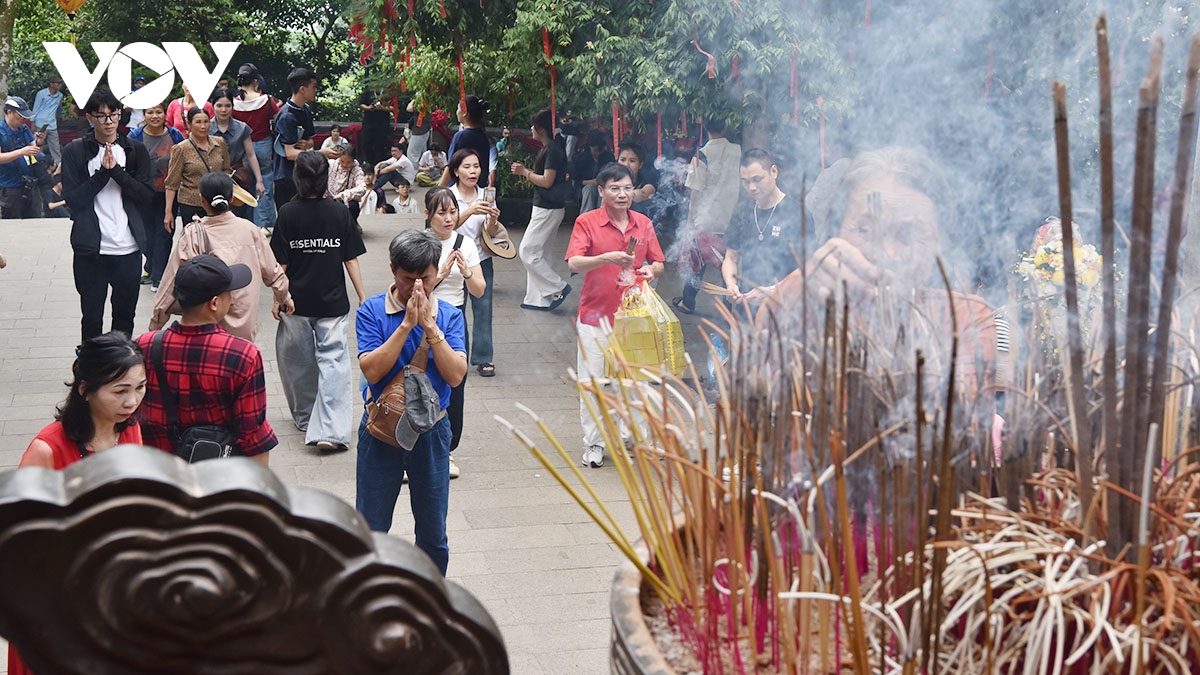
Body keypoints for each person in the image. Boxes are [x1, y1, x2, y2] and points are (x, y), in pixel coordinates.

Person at [7, 331, 148, 675]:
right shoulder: (48, 450)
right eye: (120, 391)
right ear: (84, 389)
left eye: (140, 388)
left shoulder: (128, 430)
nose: (132, 402)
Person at [355, 229, 467, 576]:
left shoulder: (449, 315)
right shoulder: (372, 311)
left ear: (437, 273)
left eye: (426, 279)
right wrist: (406, 325)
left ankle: (431, 598)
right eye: (408, 279)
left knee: (433, 533)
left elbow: (455, 375)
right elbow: (372, 370)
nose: (417, 287)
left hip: (432, 432)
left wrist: (431, 328)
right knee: (371, 528)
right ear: (393, 271)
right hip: (381, 429)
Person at [565, 162, 664, 468]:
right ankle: (594, 444)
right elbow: (574, 263)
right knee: (594, 382)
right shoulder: (587, 222)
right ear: (601, 191)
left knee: (638, 382)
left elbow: (658, 262)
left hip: (635, 318)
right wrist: (606, 258)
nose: (622, 194)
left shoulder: (644, 223)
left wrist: (650, 269)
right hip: (596, 315)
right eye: (615, 188)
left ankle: (635, 438)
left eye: (627, 188)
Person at [136, 254, 277, 465]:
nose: (232, 298)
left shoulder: (144, 346)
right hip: (216, 477)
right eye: (228, 293)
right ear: (214, 303)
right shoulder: (242, 355)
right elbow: (252, 436)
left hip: (156, 475)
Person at [272, 151, 367, 452]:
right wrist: (362, 295)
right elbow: (350, 258)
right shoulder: (338, 212)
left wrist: (278, 297)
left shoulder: (287, 213)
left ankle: (305, 418)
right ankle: (331, 430)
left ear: (297, 178)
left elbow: (281, 266)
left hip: (295, 304)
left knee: (297, 364)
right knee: (335, 364)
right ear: (326, 178)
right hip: (333, 303)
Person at [61, 88, 154, 343]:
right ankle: (91, 373)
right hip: (91, 250)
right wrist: (102, 174)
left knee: (124, 318)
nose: (109, 121)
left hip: (129, 248)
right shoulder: (75, 151)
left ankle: (120, 372)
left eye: (113, 114)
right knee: (91, 317)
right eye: (101, 116)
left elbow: (147, 196)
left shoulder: (135, 151)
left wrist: (118, 173)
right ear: (90, 118)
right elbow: (73, 200)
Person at [151, 172, 291, 341]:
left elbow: (170, 284)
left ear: (201, 199)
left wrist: (156, 323)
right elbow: (273, 272)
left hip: (207, 330)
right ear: (232, 199)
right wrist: (284, 298)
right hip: (245, 331)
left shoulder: (193, 234)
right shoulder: (250, 230)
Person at [426, 187, 485, 478]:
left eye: (453, 212)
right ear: (428, 215)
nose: (449, 218)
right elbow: (407, 289)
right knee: (419, 381)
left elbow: (479, 289)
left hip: (454, 318)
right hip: (423, 317)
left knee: (454, 384)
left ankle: (447, 449)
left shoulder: (466, 244)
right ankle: (411, 448)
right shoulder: (420, 244)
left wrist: (466, 273)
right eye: (442, 213)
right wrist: (438, 276)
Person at [673, 119, 742, 315]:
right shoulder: (738, 151)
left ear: (705, 128)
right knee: (729, 263)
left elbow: (696, 191)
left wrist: (690, 222)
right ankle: (728, 308)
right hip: (731, 216)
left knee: (697, 262)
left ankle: (687, 302)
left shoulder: (701, 155)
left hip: (707, 218)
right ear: (726, 126)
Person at [721, 149, 803, 301]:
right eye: (745, 181)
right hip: (747, 308)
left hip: (787, 308)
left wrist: (774, 291)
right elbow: (731, 258)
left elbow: (808, 268)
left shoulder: (797, 214)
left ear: (773, 172)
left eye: (757, 179)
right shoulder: (743, 211)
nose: (751, 187)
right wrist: (730, 283)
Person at [448, 149, 501, 378]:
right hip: (455, 260)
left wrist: (493, 220)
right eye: (467, 166)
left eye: (477, 166)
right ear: (456, 170)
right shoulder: (448, 196)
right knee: (456, 308)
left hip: (481, 259)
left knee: (483, 308)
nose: (473, 171)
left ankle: (483, 357)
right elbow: (445, 224)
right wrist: (470, 210)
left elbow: (489, 232)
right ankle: (457, 355)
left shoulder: (486, 194)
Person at [514, 109, 572, 312]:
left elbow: (547, 181)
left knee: (527, 251)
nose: (531, 129)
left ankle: (558, 287)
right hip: (547, 207)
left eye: (533, 126)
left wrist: (525, 173)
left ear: (540, 128)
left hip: (547, 208)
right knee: (540, 253)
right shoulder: (550, 147)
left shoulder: (553, 150)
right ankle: (538, 299)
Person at [129, 102, 186, 290]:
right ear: (144, 115)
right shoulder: (134, 136)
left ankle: (158, 275)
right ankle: (151, 266)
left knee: (164, 231)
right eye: (150, 112)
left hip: (168, 192)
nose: (155, 116)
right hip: (142, 192)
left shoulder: (174, 135)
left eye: (159, 112)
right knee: (144, 233)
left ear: (165, 114)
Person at [275, 67, 339, 209]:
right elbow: (290, 153)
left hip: (305, 173)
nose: (315, 90)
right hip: (287, 177)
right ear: (302, 89)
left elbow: (311, 140)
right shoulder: (286, 116)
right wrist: (321, 153)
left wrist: (306, 145)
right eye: (313, 86)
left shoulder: (306, 110)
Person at [164, 107, 230, 234]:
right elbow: (172, 183)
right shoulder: (181, 149)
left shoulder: (219, 143)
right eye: (198, 122)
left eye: (206, 121)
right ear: (189, 124)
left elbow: (226, 169)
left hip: (217, 202)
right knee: (196, 242)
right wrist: (168, 212)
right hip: (192, 204)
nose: (203, 126)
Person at [232, 62, 279, 231]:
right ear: (256, 82)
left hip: (241, 148)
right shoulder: (266, 100)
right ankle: (264, 224)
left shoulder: (233, 103)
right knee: (264, 181)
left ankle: (246, 223)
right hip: (263, 145)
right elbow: (277, 117)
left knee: (245, 182)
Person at [209, 87, 265, 220]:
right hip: (213, 177)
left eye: (228, 106)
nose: (224, 110)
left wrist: (259, 181)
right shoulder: (206, 127)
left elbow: (250, 154)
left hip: (238, 178)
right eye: (219, 106)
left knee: (241, 218)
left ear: (233, 106)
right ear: (212, 106)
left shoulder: (242, 128)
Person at [0, 96, 48, 219]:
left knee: (35, 222)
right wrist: (21, 152)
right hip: (10, 187)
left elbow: (35, 151)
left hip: (30, 184)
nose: (23, 120)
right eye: (21, 116)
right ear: (9, 112)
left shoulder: (24, 129)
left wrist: (39, 143)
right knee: (12, 224)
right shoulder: (1, 131)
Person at [439, 94, 491, 188]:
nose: (456, 111)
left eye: (458, 108)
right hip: (478, 187)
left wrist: (439, 189)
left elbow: (451, 166)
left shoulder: (461, 136)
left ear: (464, 113)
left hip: (461, 188)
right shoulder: (483, 136)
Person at [574, 130, 615, 214]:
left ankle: (602, 215)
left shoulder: (608, 157)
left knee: (603, 192)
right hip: (584, 189)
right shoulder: (581, 158)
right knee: (589, 189)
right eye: (596, 150)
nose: (598, 153)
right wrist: (591, 182)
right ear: (590, 147)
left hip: (604, 187)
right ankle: (586, 218)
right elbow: (576, 181)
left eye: (601, 150)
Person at [31, 75, 63, 170]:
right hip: (41, 123)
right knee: (38, 146)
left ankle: (58, 168)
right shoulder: (42, 94)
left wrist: (60, 117)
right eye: (58, 83)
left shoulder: (59, 95)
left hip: (52, 124)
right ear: (51, 84)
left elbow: (59, 108)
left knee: (55, 148)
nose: (60, 85)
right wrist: (32, 122)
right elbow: (36, 107)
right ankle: (38, 167)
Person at [327, 147, 367, 222]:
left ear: (353, 161)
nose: (345, 165)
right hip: (328, 198)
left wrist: (343, 195)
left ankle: (352, 223)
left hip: (345, 201)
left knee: (353, 206)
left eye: (348, 162)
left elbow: (362, 188)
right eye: (342, 161)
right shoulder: (330, 165)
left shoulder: (357, 170)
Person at [617, 142, 657, 217]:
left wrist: (630, 194)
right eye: (622, 160)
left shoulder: (646, 183)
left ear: (640, 165)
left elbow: (643, 193)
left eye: (632, 161)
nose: (626, 165)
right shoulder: (610, 181)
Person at [359, 90, 392, 166]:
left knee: (379, 144)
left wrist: (382, 108)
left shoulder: (387, 92)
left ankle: (377, 164)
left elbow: (393, 108)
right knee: (365, 142)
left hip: (382, 122)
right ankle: (369, 162)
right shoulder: (368, 92)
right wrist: (368, 108)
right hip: (369, 121)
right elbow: (361, 104)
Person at [405, 99, 431, 168]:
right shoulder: (429, 104)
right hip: (424, 131)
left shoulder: (422, 104)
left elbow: (408, 108)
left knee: (412, 154)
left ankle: (413, 172)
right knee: (422, 154)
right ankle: (422, 171)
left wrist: (413, 100)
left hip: (419, 132)